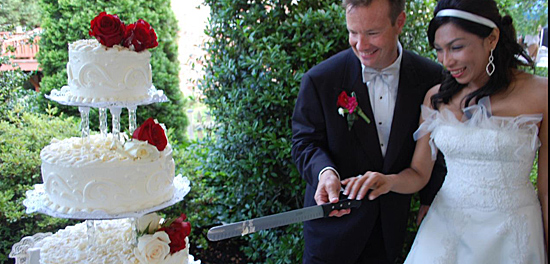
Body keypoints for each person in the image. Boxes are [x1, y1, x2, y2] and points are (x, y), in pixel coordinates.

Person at [343, 0, 548, 263]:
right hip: (445, 230)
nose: (446, 61)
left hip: (513, 232)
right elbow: (419, 173)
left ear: (492, 38)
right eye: (439, 50)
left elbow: (546, 190)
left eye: (457, 47)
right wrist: (389, 181)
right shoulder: (435, 97)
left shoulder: (541, 94)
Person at [291, 0, 447, 263]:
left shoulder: (431, 78)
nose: (360, 45)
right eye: (353, 32)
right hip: (332, 235)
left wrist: (429, 199)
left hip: (389, 231)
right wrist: (325, 172)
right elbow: (304, 142)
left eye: (372, 33)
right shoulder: (321, 79)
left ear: (399, 22)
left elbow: (440, 144)